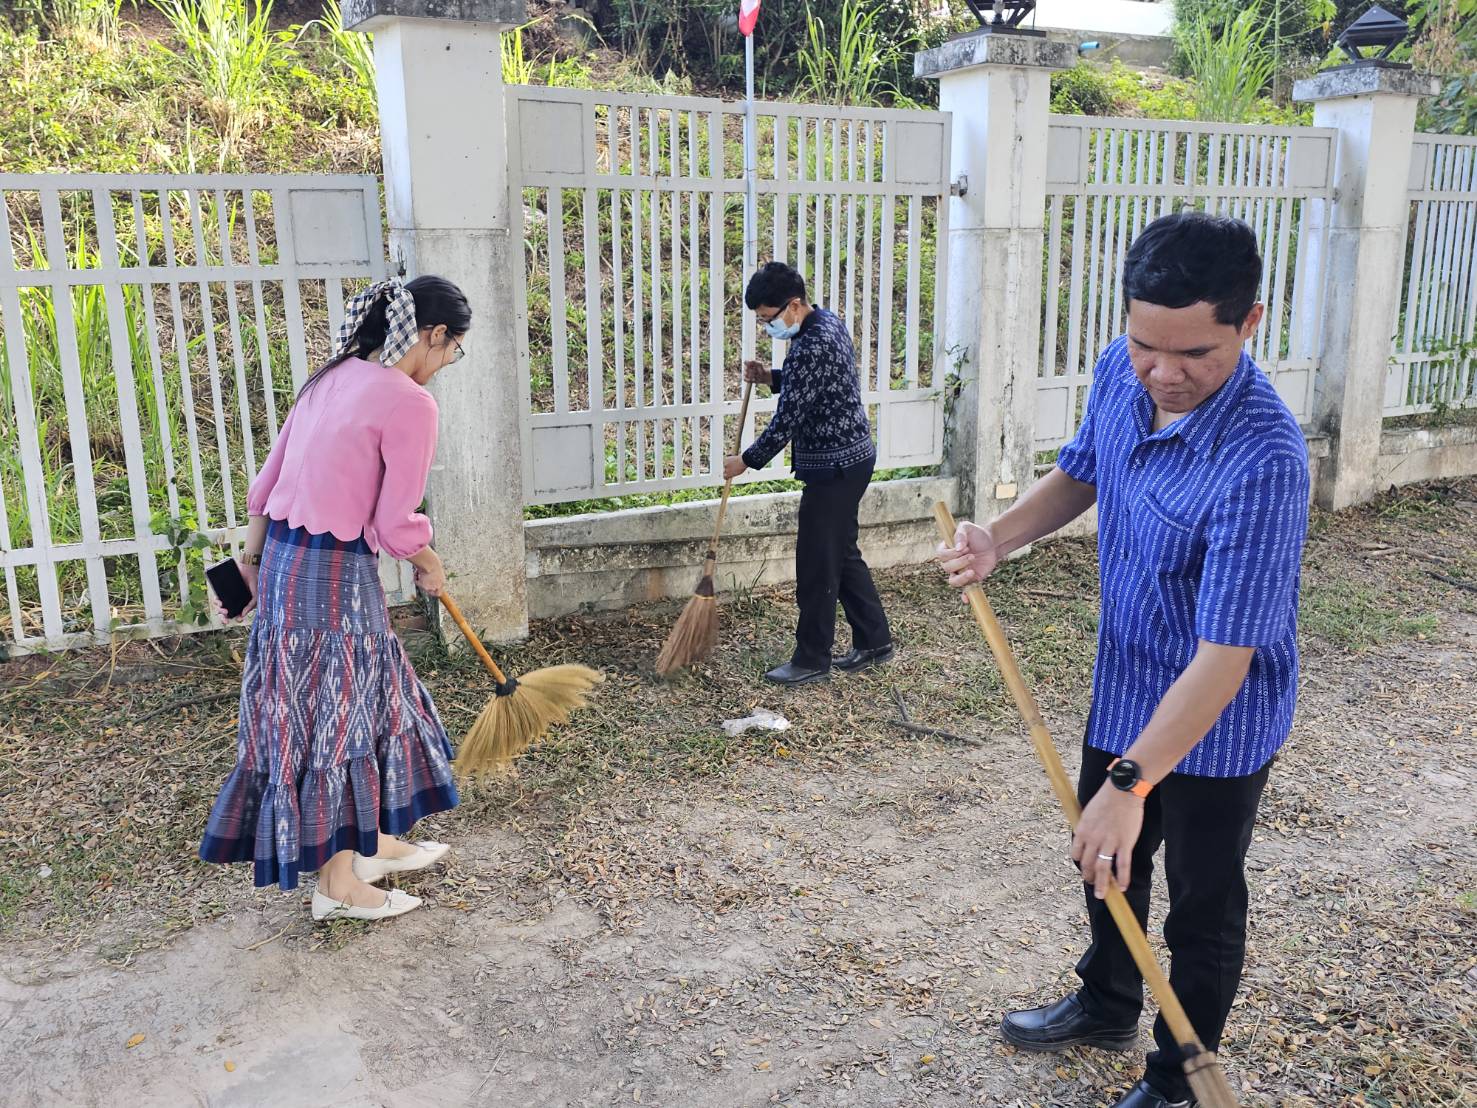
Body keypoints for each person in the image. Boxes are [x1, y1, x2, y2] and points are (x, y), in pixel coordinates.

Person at [937, 213, 1310, 1108]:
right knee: (1104, 860)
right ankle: (1105, 1001)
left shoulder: (1264, 461)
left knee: (1201, 900)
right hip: (1129, 680)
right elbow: (1082, 470)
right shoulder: (1121, 367)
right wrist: (999, 539)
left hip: (1218, 719)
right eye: (1147, 345)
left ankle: (1180, 1073)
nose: (1163, 373)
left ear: (1248, 323)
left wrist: (1130, 784)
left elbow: (1223, 659)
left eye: (1194, 354)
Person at [199, 276, 471, 923]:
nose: (446, 365)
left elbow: (264, 487)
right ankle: (339, 885)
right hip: (335, 578)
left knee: (357, 700)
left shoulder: (332, 376)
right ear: (431, 336)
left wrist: (249, 563)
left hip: (285, 567)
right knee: (338, 714)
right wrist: (429, 563)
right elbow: (391, 523)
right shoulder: (408, 402)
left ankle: (368, 842)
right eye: (451, 350)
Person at [724, 261, 893, 686]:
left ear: (794, 305)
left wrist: (745, 460)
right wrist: (769, 377)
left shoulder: (810, 346)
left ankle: (812, 657)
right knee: (842, 551)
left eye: (769, 318)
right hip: (853, 457)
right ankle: (874, 639)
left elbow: (788, 419)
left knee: (819, 561)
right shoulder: (826, 323)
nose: (767, 328)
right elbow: (812, 383)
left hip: (835, 467)